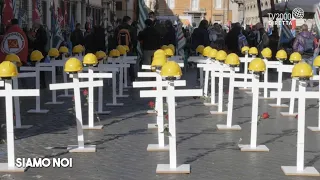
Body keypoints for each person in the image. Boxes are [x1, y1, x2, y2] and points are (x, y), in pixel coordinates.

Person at [114, 16, 137, 83]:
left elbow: (115, 38)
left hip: (119, 49)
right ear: (128, 21)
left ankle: (122, 79)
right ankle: (132, 78)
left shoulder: (118, 28)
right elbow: (135, 40)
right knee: (130, 64)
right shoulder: (132, 28)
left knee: (121, 64)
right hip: (129, 48)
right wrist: (133, 47)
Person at [31, 20, 48, 88]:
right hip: (39, 52)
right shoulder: (40, 30)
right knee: (39, 69)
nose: (33, 26)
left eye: (34, 24)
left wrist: (34, 41)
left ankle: (42, 83)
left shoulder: (41, 31)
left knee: (40, 69)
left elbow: (43, 41)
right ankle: (41, 83)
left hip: (40, 52)